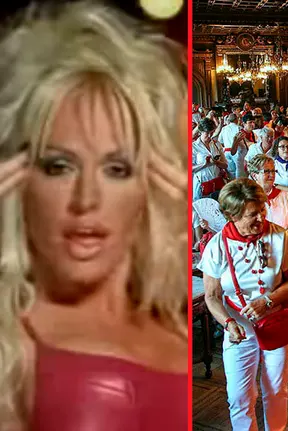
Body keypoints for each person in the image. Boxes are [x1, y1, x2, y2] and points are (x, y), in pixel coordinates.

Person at [0, 2, 188, 428]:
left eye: (116, 168)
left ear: (149, 184)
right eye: (59, 166)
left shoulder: (173, 318)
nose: (86, 199)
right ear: (18, 179)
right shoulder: (11, 347)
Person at [200, 179, 288, 431]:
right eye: (251, 214)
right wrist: (228, 322)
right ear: (231, 215)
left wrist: (268, 300)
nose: (260, 218)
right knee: (239, 396)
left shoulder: (279, 236)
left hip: (276, 324)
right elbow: (212, 297)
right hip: (240, 332)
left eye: (262, 210)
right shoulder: (216, 247)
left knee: (276, 390)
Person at [247, 155, 288, 235]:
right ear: (254, 176)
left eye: (273, 171)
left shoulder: (284, 195)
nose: (272, 175)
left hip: (282, 242)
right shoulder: (248, 199)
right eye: (266, 171)